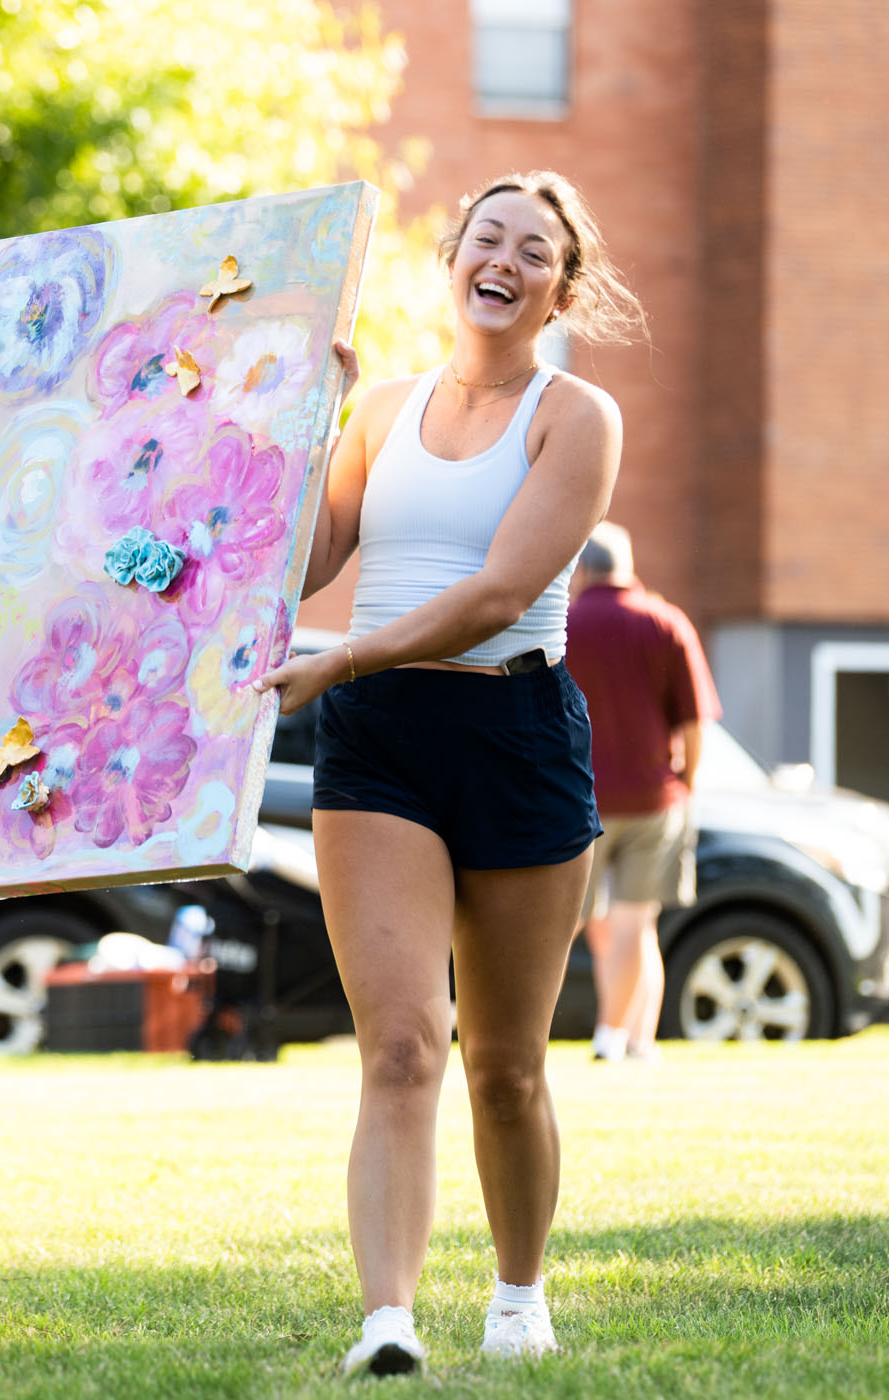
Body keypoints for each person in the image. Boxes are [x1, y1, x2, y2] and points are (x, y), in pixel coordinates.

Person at [253, 170, 642, 1377]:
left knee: (507, 1066)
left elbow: (497, 594)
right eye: (489, 238)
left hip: (514, 733)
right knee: (404, 1044)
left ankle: (519, 1292)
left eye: (534, 251)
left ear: (558, 289)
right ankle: (388, 1320)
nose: (506, 261)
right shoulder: (383, 415)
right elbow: (307, 557)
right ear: (452, 260)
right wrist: (316, 415)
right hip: (378, 741)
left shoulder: (576, 416)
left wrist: (341, 657)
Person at [564, 521, 721, 1062]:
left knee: (597, 924)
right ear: (627, 566)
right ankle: (633, 1037)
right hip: (655, 799)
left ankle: (618, 1037)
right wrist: (689, 782)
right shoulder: (665, 622)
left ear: (582, 569)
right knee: (637, 919)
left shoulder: (563, 624)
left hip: (580, 800)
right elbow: (696, 723)